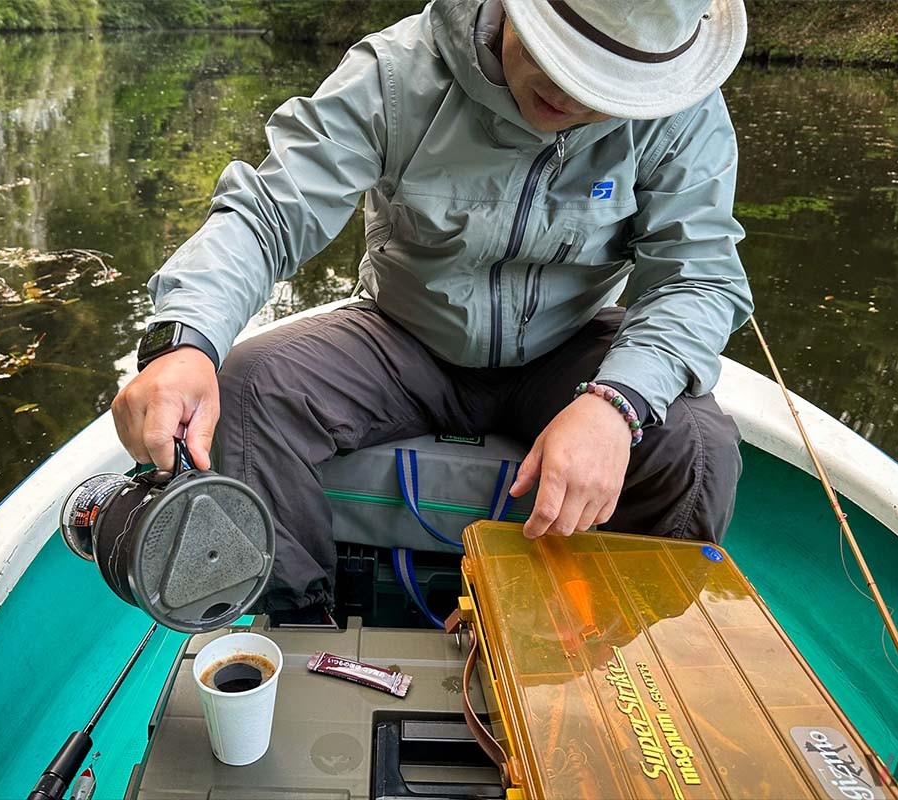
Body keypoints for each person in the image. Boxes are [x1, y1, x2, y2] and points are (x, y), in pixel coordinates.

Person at [113, 0, 753, 616]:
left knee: (694, 448)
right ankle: (299, 622)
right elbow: (273, 212)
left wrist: (617, 402)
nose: (573, 99)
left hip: (573, 346)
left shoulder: (680, 110)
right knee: (251, 392)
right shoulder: (397, 71)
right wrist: (184, 341)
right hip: (404, 337)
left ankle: (608, 646)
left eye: (607, 88)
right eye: (561, 58)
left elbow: (696, 278)